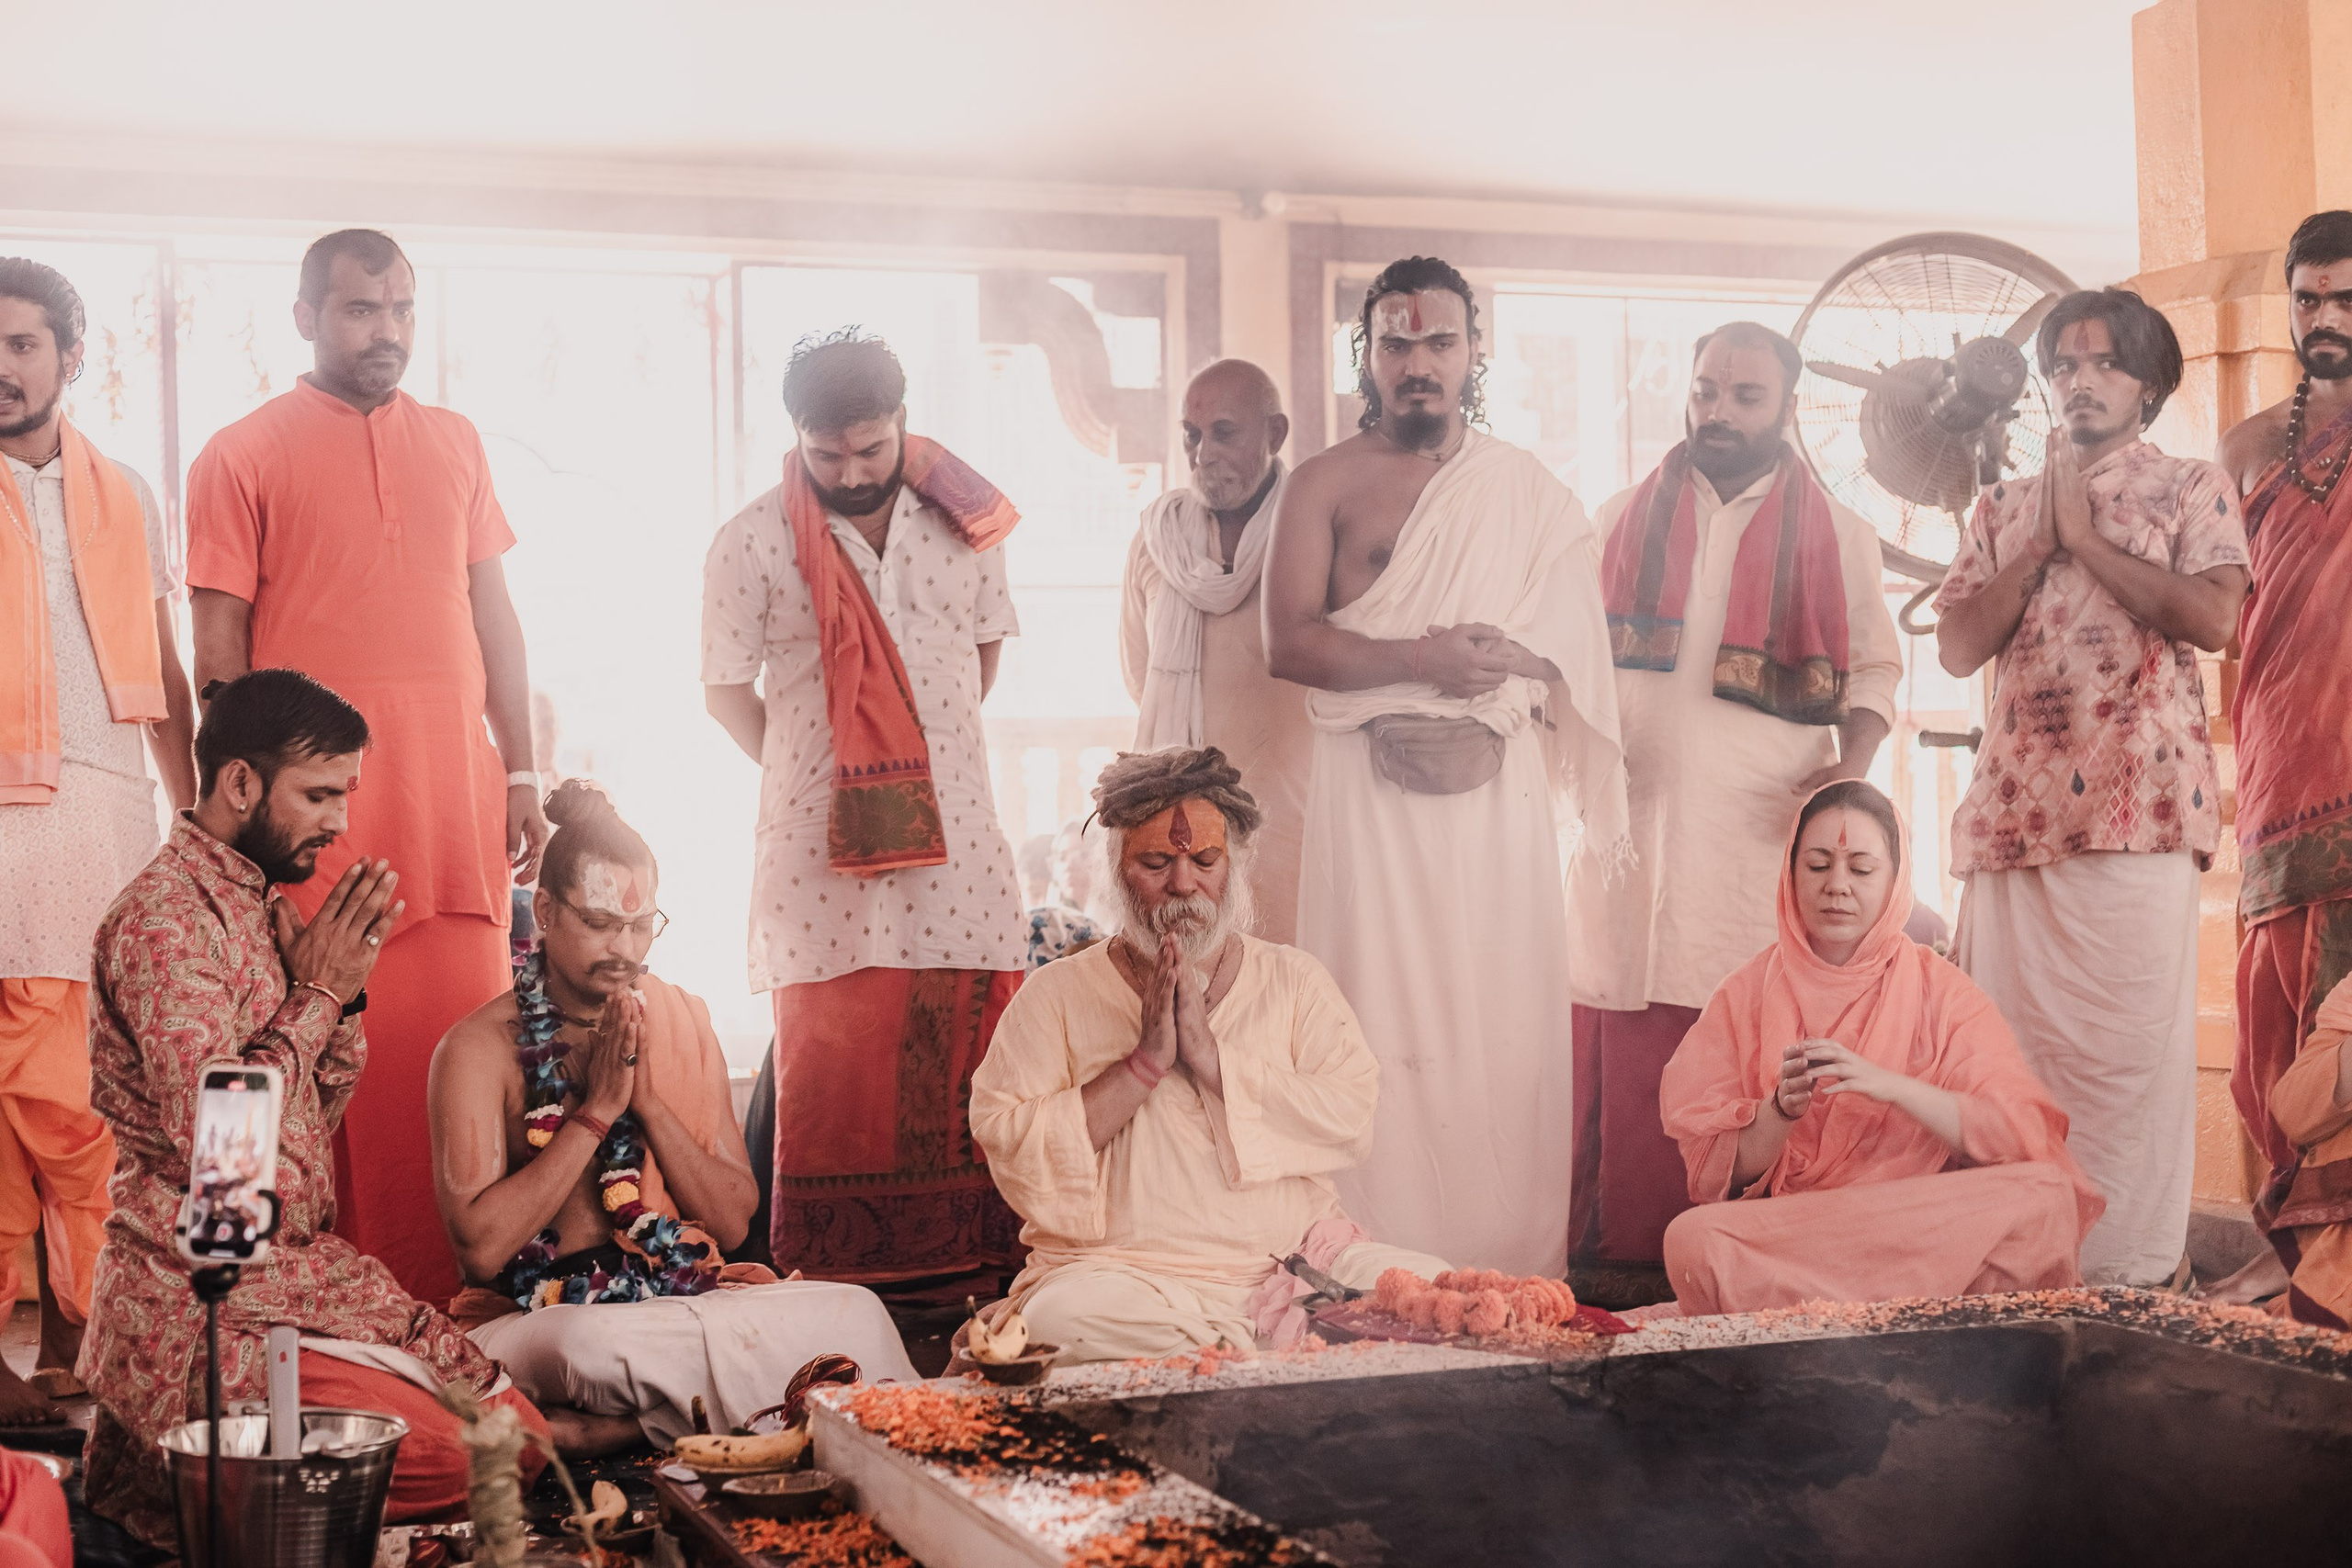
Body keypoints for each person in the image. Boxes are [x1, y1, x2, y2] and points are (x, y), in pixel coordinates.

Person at [78, 670, 546, 1548]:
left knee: (511, 1432)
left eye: (346, 794)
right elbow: (228, 1159)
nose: (340, 821)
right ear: (241, 782)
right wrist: (321, 994)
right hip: (203, 1308)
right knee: (488, 1452)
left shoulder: (256, 907)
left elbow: (305, 1125)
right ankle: (185, 1476)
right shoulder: (165, 922)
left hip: (289, 1278)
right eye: (320, 793)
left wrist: (340, 1002)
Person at [185, 229, 545, 1305]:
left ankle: (458, 1317)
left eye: (400, 311)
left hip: (455, 809)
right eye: (357, 311)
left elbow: (496, 619)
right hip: (319, 826)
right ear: (304, 316)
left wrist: (523, 772)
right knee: (289, 1054)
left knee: (458, 1056)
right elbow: (215, 654)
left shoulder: (457, 440)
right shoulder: (239, 452)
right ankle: (262, 1311)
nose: (384, 333)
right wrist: (240, 819)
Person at [1263, 255, 1627, 1276]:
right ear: (1364, 355)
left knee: (1498, 1017)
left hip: (1492, 797)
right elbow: (1287, 643)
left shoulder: (1526, 493)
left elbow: (1572, 657)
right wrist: (1423, 660)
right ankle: (1363, 1266)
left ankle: (1506, 1266)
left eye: (1438, 342)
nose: (1416, 363)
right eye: (1395, 343)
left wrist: (1502, 690)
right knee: (1368, 1012)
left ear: (1474, 354)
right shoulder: (1323, 484)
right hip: (1363, 795)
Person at [430, 781, 917, 1451]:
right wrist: (597, 1114)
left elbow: (731, 1218)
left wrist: (649, 1105)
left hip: (675, 1291)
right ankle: (702, 1419)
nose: (624, 948)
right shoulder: (478, 1048)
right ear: (544, 909)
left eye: (640, 924)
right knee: (593, 1345)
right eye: (600, 923)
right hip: (537, 1314)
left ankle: (613, 1431)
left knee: (855, 1313)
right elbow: (480, 1251)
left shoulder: (681, 1018)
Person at [1566, 322, 1902, 1273]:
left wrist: (1851, 768)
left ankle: (1710, 1269)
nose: (1717, 410)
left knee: (1728, 1036)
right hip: (1624, 827)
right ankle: (1610, 1269)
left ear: (1784, 408)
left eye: (1744, 397)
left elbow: (1875, 671)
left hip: (1752, 830)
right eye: (1706, 389)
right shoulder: (1618, 515)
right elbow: (1571, 664)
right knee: (1617, 1022)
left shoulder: (1838, 533)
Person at [1932, 288, 2247, 1291]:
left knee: (2124, 1068)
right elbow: (1953, 647)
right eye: (2062, 366)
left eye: (2104, 364)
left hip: (2137, 816)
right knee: (2005, 1065)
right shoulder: (1998, 507)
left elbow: (2211, 618)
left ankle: (2130, 1282)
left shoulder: (2195, 488)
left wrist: (2088, 542)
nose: (2078, 380)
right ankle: (2012, 1274)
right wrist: (2039, 539)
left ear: (2147, 383)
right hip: (2014, 822)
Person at [702, 329, 1027, 1282]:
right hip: (818, 852)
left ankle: (971, 1279)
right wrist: (827, 781)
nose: (849, 470)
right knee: (831, 1049)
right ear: (797, 436)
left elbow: (983, 653)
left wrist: (916, 771)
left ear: (902, 424)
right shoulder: (753, 541)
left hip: (956, 832)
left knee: (971, 1034)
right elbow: (725, 690)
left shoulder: (964, 523)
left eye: (870, 449)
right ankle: (834, 1285)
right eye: (826, 451)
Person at [971, 748, 1451, 1361]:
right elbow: (1009, 1138)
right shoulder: (1055, 995)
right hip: (1126, 1281)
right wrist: (1143, 1065)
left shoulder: (1294, 980)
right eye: (1155, 862)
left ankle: (1252, 1348)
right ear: (1116, 866)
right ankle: (1272, 1353)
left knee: (1436, 1291)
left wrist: (1211, 1059)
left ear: (1234, 865)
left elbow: (1351, 1115)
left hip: (1294, 1269)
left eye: (1204, 859)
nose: (1182, 883)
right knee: (1062, 1318)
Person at [1657, 782, 2101, 1316]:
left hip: (1911, 1220)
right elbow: (1717, 1179)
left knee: (2044, 1195)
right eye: (1818, 866)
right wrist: (1779, 1112)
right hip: (1803, 1232)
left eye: (1861, 869)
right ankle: (1906, 1310)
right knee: (1694, 1240)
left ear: (1895, 881)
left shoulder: (1942, 990)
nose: (1837, 887)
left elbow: (2020, 1132)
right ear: (1790, 874)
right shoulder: (1744, 994)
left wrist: (1893, 1087)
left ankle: (1820, 1313)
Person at [0, 259, 197, 1424]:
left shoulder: (126, 493)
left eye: (25, 343)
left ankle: (91, 1348)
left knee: (90, 1101)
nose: (3, 365)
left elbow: (164, 670)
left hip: (107, 817)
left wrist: (200, 829)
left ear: (71, 358)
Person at [2214, 211, 2352, 1306]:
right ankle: (2291, 1248)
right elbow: (2229, 613)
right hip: (2272, 764)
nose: (2326, 318)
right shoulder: (2249, 446)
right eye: (2308, 299)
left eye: (2347, 299)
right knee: (2269, 1027)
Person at [1120, 358, 1313, 942]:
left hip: (1292, 824)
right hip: (1176, 829)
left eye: (1224, 432)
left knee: (1285, 1004)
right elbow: (1138, 676)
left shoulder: (1313, 533)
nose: (1203, 452)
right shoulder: (1156, 542)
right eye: (1192, 435)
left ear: (1274, 435)